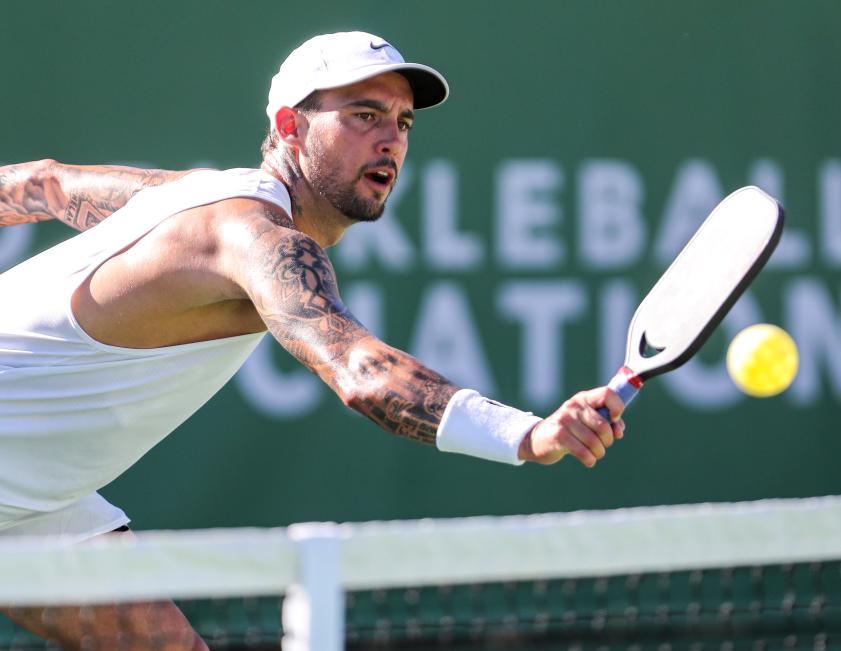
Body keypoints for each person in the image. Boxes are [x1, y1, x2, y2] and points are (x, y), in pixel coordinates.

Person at [0, 31, 626, 650]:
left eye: (403, 122)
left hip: (31, 499)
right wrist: (527, 435)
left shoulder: (191, 196)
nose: (391, 139)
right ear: (290, 127)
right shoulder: (257, 236)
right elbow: (360, 372)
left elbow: (44, 184)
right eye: (363, 115)